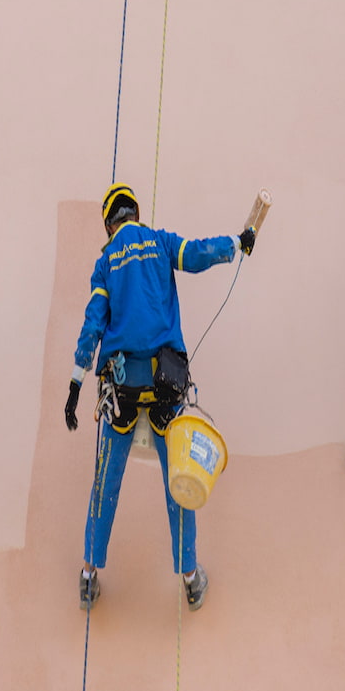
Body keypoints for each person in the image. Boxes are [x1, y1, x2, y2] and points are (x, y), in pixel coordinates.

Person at [64, 182, 255, 611]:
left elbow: (93, 324)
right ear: (134, 213)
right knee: (180, 479)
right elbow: (200, 253)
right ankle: (190, 577)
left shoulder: (106, 262)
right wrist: (237, 245)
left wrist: (76, 384)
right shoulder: (160, 242)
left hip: (122, 386)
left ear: (110, 221)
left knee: (105, 483)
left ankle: (89, 574)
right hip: (166, 382)